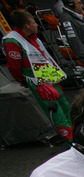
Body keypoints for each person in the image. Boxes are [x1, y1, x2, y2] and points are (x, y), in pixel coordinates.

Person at [3, 10, 73, 140]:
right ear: (26, 25)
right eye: (34, 22)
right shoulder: (12, 41)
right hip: (39, 84)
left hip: (51, 79)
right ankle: (70, 142)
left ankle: (78, 136)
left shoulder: (33, 38)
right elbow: (14, 67)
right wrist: (25, 81)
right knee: (58, 115)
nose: (37, 24)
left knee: (66, 108)